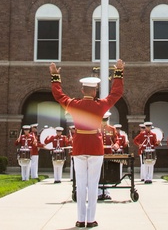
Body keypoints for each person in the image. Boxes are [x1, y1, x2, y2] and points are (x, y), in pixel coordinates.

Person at [50, 59, 125, 229]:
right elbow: (116, 93)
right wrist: (118, 73)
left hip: (79, 147)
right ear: (96, 90)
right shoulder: (100, 105)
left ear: (82, 90)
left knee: (80, 184)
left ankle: (79, 219)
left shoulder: (73, 104)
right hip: (95, 148)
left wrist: (55, 76)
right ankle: (90, 220)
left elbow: (58, 95)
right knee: (93, 185)